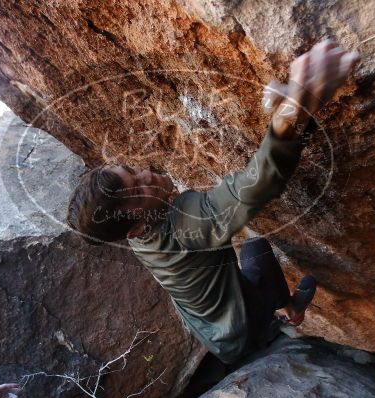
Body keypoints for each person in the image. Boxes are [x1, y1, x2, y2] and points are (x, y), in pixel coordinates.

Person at [67, 39, 359, 366]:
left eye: (134, 172)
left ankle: (284, 309)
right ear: (135, 229)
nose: (147, 174)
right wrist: (297, 106)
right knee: (257, 248)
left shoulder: (138, 232)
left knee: (252, 251)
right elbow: (252, 187)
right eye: (138, 190)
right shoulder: (182, 228)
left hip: (214, 331)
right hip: (242, 332)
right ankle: (287, 314)